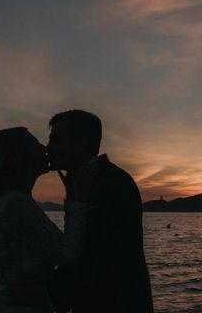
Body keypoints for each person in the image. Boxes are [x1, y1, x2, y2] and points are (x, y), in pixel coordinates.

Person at [0, 127, 94, 313]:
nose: (45, 148)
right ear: (21, 157)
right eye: (36, 145)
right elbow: (67, 255)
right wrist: (76, 203)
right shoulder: (15, 204)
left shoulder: (7, 201)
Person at [47, 110, 154, 313]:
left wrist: (51, 296)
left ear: (82, 143)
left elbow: (101, 257)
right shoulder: (85, 181)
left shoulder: (112, 182)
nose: (48, 148)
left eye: (57, 141)